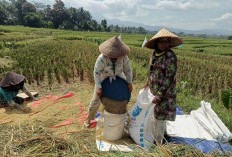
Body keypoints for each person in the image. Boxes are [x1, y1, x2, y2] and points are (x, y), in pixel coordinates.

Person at [144, 28, 183, 144]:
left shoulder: (170, 56)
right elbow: (152, 70)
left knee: (160, 116)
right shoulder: (155, 53)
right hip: (154, 89)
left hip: (165, 92)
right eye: (161, 41)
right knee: (155, 114)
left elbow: (169, 78)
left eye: (167, 42)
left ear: (170, 43)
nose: (164, 44)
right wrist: (147, 82)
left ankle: (158, 143)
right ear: (157, 42)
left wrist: (159, 95)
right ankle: (163, 134)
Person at [84, 36, 133, 128]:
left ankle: (120, 119)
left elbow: (128, 71)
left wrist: (129, 82)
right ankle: (89, 119)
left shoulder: (124, 58)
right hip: (104, 76)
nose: (114, 58)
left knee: (122, 97)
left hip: (119, 76)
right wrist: (98, 87)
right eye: (112, 56)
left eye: (116, 57)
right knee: (96, 100)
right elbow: (96, 72)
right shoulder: (102, 58)